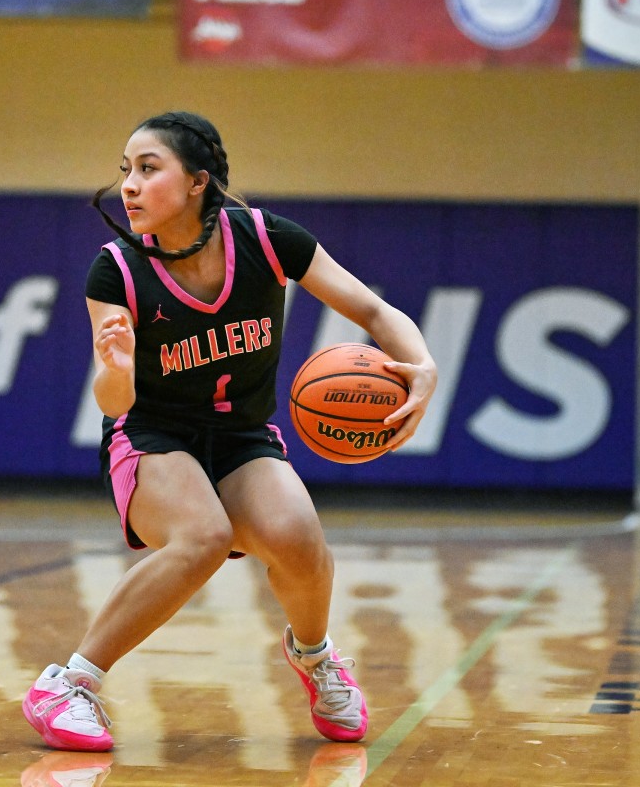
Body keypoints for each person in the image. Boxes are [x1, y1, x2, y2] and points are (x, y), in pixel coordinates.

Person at [22, 111, 437, 751]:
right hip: (152, 433)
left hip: (242, 436)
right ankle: (69, 684)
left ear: (198, 182)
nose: (128, 185)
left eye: (147, 168)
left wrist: (422, 366)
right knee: (203, 535)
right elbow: (114, 400)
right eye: (125, 170)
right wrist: (116, 366)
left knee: (300, 540)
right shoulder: (117, 270)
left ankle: (315, 656)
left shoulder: (268, 239)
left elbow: (375, 311)